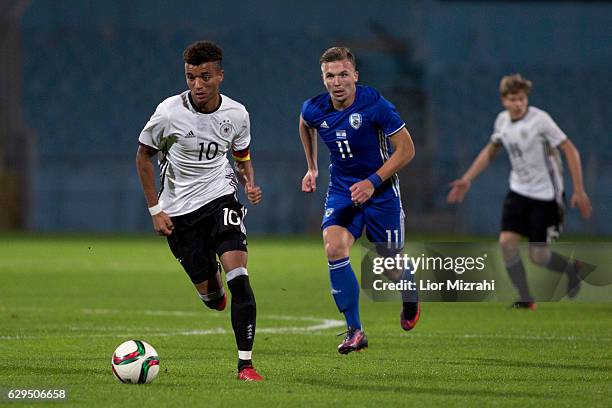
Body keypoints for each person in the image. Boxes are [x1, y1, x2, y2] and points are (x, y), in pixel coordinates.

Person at [135, 41, 264, 381]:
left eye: (205, 77)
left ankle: (246, 365)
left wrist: (248, 182)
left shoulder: (237, 114)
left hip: (221, 199)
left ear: (220, 75)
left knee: (239, 278)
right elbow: (143, 157)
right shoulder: (168, 113)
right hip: (179, 214)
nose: (198, 85)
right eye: (191, 77)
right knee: (213, 298)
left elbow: (241, 155)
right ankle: (212, 287)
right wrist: (155, 209)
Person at [299, 46, 419, 355]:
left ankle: (409, 291)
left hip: (381, 192)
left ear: (355, 75)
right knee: (334, 247)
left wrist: (372, 182)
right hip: (342, 190)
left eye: (342, 75)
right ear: (323, 78)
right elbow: (305, 123)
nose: (337, 82)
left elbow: (406, 150)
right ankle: (355, 330)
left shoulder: (375, 105)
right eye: (330, 76)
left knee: (391, 268)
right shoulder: (315, 108)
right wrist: (312, 167)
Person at [447, 73, 592, 309]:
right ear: (504, 100)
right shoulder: (502, 121)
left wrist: (579, 189)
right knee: (506, 243)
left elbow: (570, 149)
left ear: (526, 99)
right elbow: (491, 151)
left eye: (522, 99)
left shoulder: (540, 120)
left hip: (546, 196)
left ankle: (571, 269)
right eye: (513, 99)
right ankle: (525, 298)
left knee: (538, 257)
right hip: (518, 191)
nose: (518, 104)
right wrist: (467, 179)